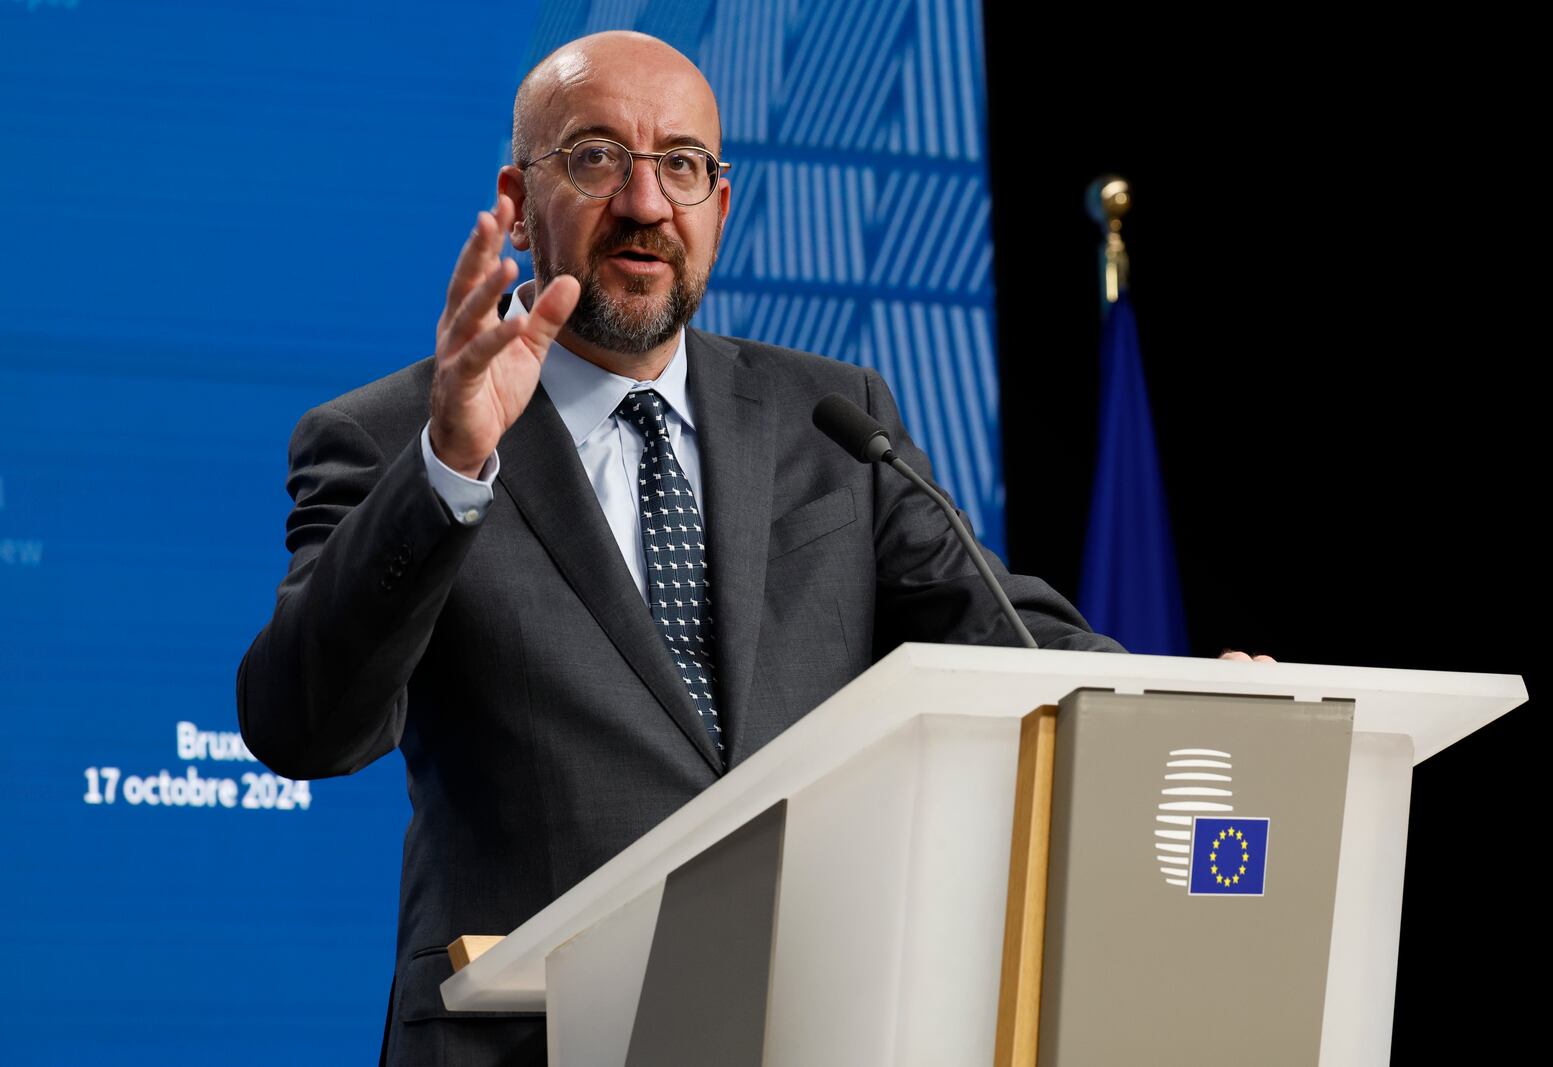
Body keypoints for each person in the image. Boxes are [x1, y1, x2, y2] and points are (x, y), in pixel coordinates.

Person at [237, 30, 1125, 1067]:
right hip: (525, 1037)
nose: (645, 204)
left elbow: (1008, 636)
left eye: (682, 165)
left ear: (719, 204)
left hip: (808, 1021)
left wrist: (1197, 706)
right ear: (517, 199)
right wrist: (448, 466)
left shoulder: (833, 416)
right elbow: (302, 724)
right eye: (595, 157)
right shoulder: (390, 437)